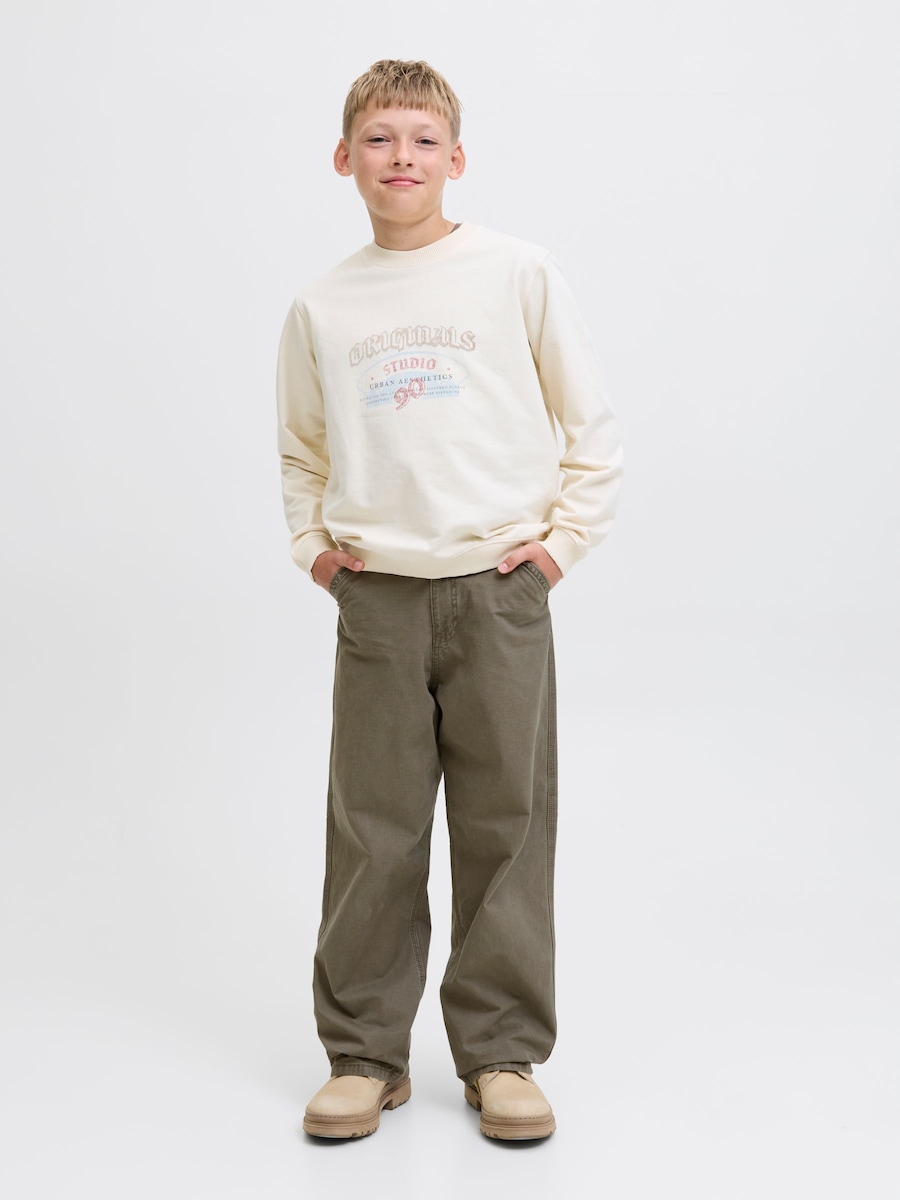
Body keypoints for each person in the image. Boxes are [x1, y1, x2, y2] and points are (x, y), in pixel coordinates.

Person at [276, 58, 623, 1141]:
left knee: (504, 823)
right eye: (380, 139)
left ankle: (501, 1053)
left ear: (456, 159)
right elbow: (302, 449)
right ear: (345, 157)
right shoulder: (323, 305)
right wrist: (320, 555)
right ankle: (364, 1054)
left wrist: (558, 550)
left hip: (498, 591)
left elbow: (590, 428)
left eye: (424, 140)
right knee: (373, 830)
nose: (402, 158)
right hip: (379, 598)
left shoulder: (516, 272)